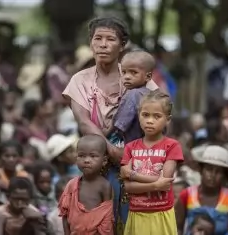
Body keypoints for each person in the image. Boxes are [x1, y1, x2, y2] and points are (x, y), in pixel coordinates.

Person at [63, 16, 157, 232]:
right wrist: (114, 152)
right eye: (98, 39)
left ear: (122, 45)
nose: (103, 45)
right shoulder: (80, 80)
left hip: (138, 162)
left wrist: (130, 155)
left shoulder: (137, 73)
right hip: (96, 163)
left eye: (110, 39)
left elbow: (159, 108)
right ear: (90, 43)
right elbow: (85, 122)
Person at [120, 90, 183, 234]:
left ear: (168, 119)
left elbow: (164, 183)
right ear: (139, 116)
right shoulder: (130, 147)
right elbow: (128, 187)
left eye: (157, 116)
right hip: (137, 213)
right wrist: (155, 184)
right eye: (145, 115)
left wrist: (133, 175)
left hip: (161, 213)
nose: (150, 120)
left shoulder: (172, 146)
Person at [175, 145, 228, 235]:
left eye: (218, 171)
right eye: (209, 169)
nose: (212, 175)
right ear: (201, 170)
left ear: (224, 175)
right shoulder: (186, 195)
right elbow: (178, 228)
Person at [59, 135, 114, 234]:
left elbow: (107, 219)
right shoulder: (72, 185)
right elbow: (65, 215)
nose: (86, 160)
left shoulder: (104, 185)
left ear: (104, 161)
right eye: (82, 156)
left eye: (93, 156)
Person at [111, 50, 154, 143]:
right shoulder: (153, 95)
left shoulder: (133, 95)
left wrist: (105, 133)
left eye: (133, 72)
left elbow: (120, 125)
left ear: (148, 76)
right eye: (124, 72)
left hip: (132, 145)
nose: (127, 77)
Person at [0, 140, 30, 204]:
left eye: (14, 156)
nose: (11, 159)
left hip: (20, 204)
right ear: (0, 157)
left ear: (20, 157)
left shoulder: (22, 174)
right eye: (7, 156)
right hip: (1, 203)